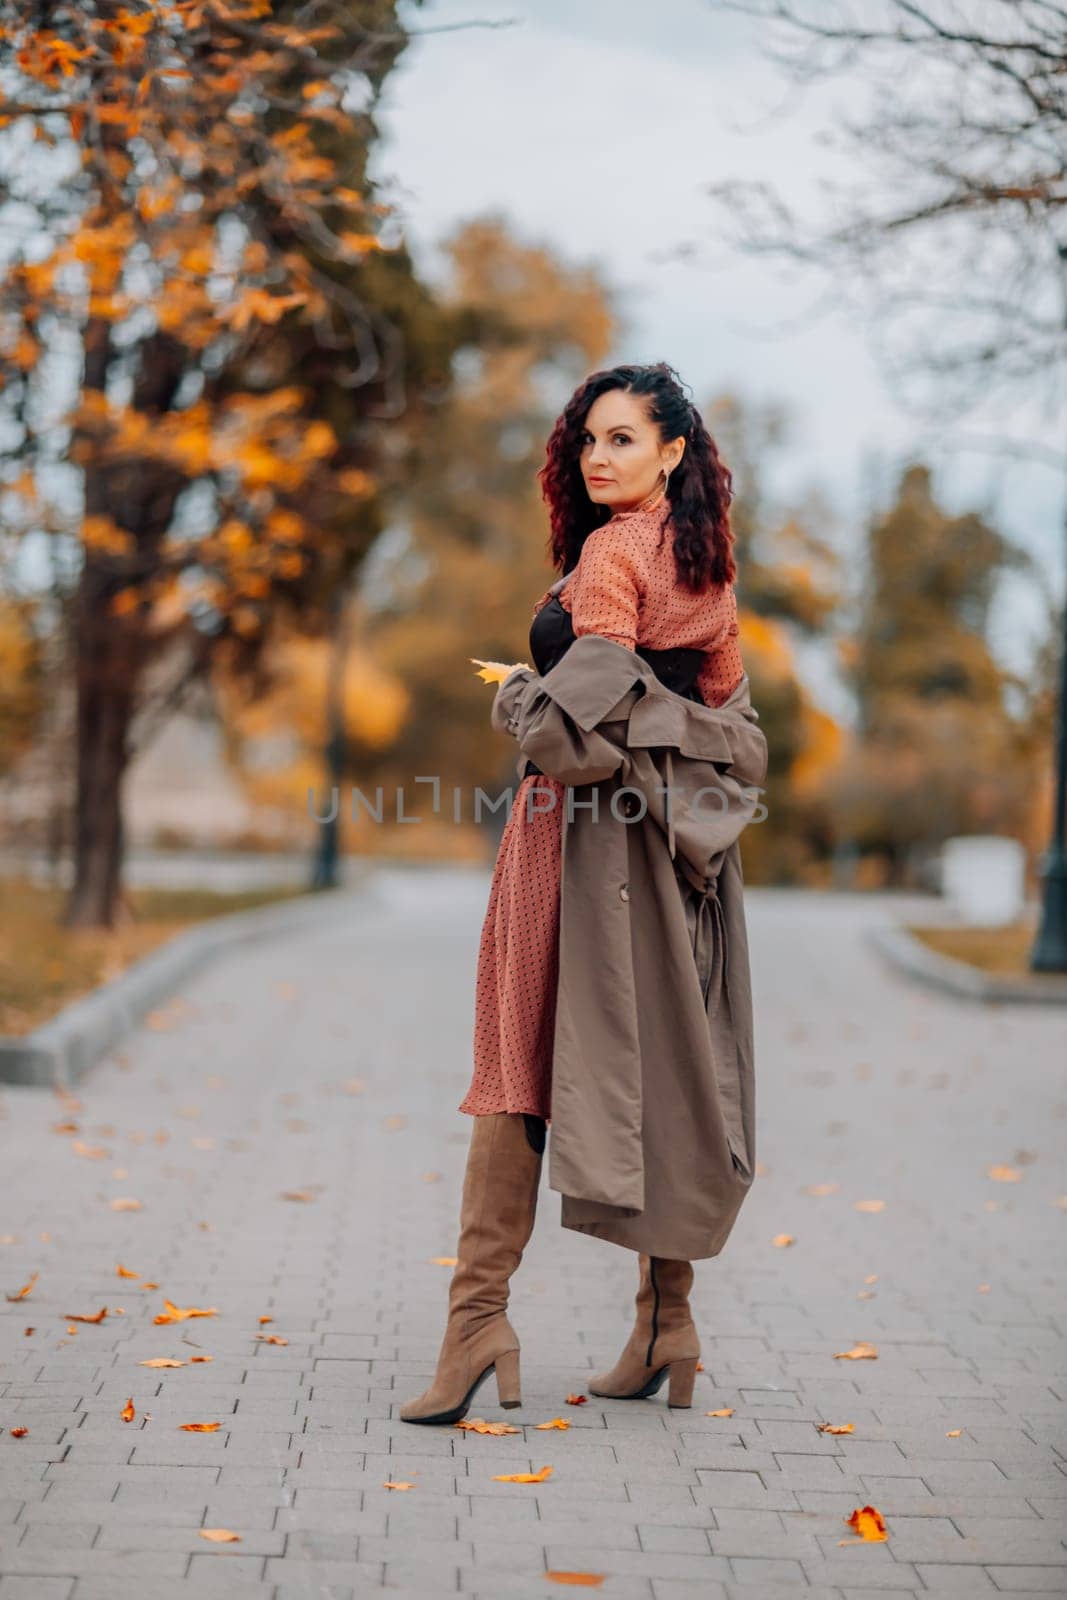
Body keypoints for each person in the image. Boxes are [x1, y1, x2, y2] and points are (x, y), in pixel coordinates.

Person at [401, 361, 759, 1426]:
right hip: (677, 868)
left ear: (672, 452)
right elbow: (743, 745)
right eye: (588, 441)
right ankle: (665, 1320)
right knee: (662, 1068)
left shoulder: (609, 555)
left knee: (514, 1064)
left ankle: (477, 1324)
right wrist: (661, 714)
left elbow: (570, 736)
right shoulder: (711, 574)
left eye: (621, 440)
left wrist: (515, 692)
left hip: (575, 852)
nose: (598, 459)